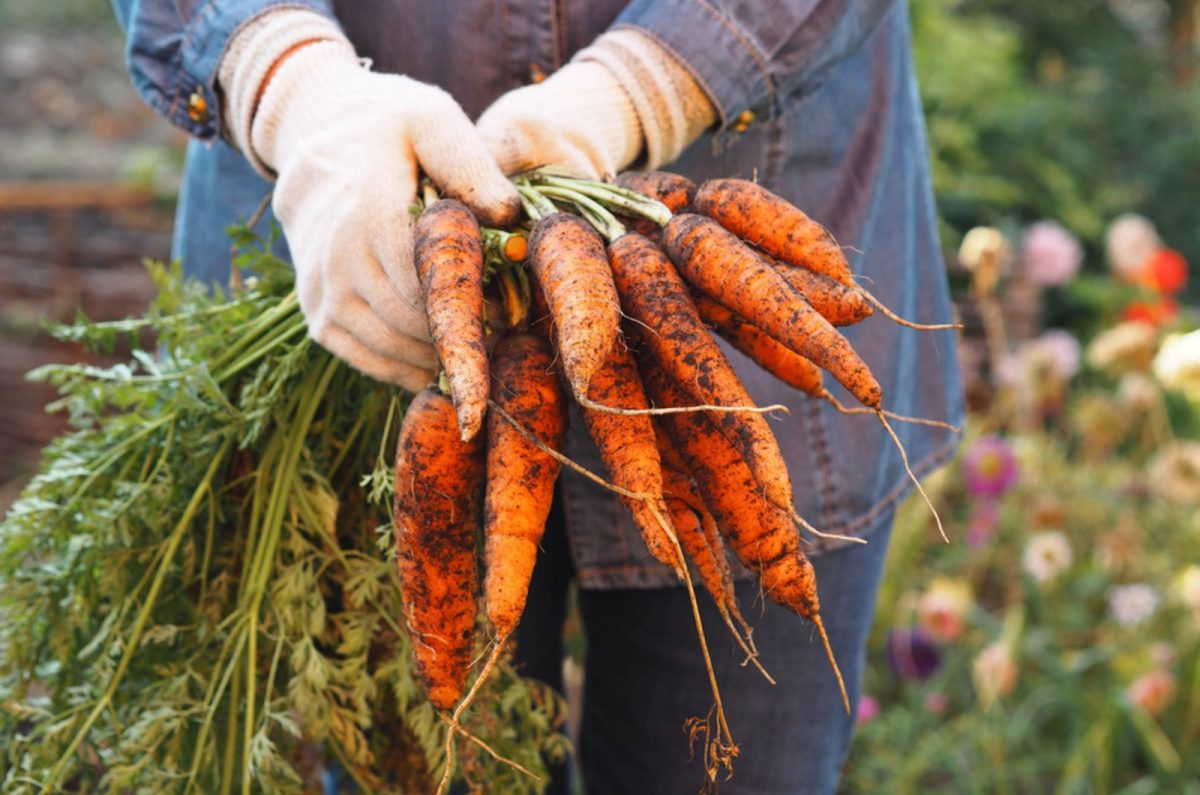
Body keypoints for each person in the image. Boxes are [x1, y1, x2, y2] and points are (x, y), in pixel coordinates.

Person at [112, 1, 964, 791]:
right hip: (350, 255)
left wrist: (645, 86)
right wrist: (290, 81)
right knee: (433, 727)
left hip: (753, 209)